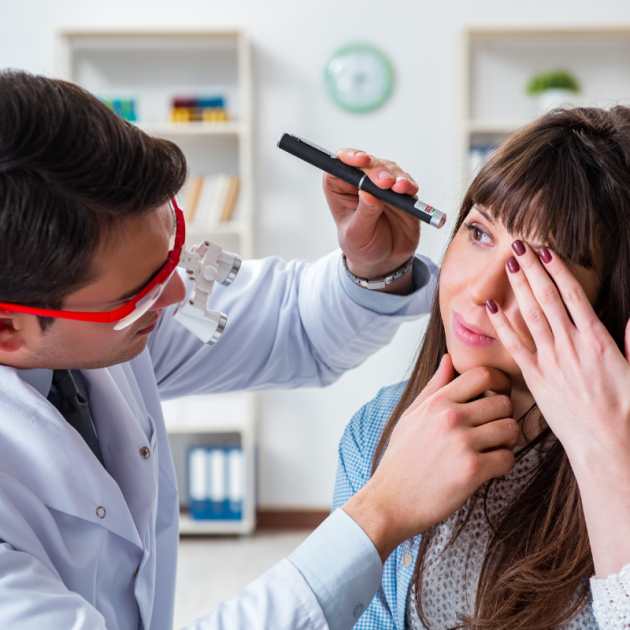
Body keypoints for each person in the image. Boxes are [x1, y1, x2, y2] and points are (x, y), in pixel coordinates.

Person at [0, 69, 453, 630]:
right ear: (8, 331)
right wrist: (378, 514)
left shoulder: (87, 318)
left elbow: (293, 327)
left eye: (170, 253)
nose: (176, 294)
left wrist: (374, 270)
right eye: (138, 294)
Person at [333, 106, 630, 630]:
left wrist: (605, 458)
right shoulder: (375, 431)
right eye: (479, 234)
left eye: (539, 267)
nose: (481, 290)